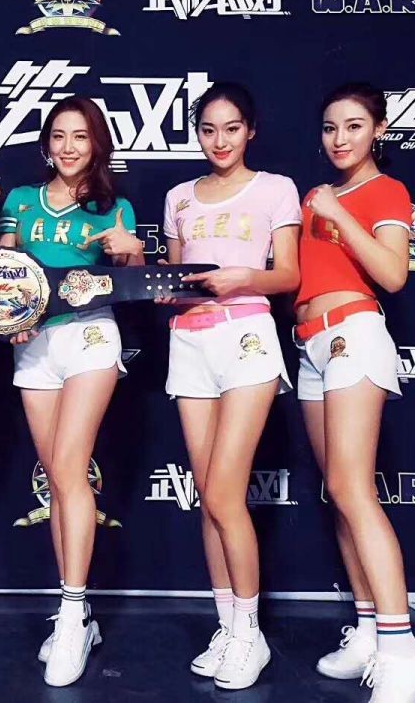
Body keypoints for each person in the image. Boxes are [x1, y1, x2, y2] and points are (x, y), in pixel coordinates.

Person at [297, 82, 415, 703]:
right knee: (339, 493)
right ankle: (368, 633)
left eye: (354, 126)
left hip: (354, 335)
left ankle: (405, 649)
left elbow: (392, 274)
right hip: (309, 345)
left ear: (379, 130)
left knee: (354, 490)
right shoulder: (315, 197)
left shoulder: (386, 191)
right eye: (330, 127)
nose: (340, 138)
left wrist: (337, 215)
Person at [0, 95, 144, 687]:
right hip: (33, 345)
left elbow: (134, 274)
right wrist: (9, 315)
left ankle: (75, 610)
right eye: (59, 135)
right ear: (46, 143)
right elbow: (2, 273)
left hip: (90, 336)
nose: (68, 147)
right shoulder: (19, 200)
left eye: (80, 136)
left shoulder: (114, 207)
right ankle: (73, 612)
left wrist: (129, 251)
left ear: (96, 144)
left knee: (69, 468)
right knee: (57, 479)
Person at [158, 82, 300, 690]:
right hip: (189, 341)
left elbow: (288, 274)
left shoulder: (276, 188)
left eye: (232, 128)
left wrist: (244, 277)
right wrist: (157, 280)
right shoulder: (178, 196)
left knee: (223, 493)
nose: (220, 140)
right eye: (209, 129)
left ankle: (250, 633)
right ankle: (228, 627)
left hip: (246, 338)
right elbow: (175, 279)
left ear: (251, 131)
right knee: (207, 497)